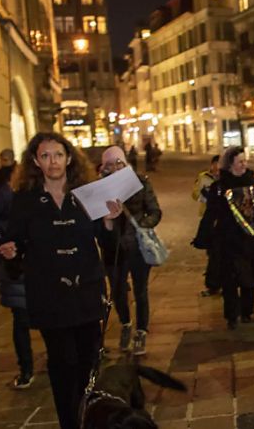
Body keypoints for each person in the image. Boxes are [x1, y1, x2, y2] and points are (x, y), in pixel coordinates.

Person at [0, 132, 121, 429]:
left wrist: (108, 222)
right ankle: (70, 422)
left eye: (58, 155)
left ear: (69, 158)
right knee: (62, 363)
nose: (53, 161)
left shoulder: (86, 194)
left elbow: (109, 245)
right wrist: (10, 251)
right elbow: (13, 243)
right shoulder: (25, 200)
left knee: (89, 362)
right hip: (50, 294)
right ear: (36, 161)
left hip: (87, 290)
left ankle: (89, 418)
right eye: (45, 156)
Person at [194, 146, 254, 330]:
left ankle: (246, 312)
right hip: (227, 240)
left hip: (251, 239)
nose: (244, 165)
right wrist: (202, 237)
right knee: (229, 279)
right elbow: (211, 214)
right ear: (230, 165)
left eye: (245, 161)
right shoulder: (219, 187)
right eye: (240, 162)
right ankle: (231, 316)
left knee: (248, 277)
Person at [98, 146, 162, 356]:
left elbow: (155, 211)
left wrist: (142, 225)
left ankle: (141, 331)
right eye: (109, 164)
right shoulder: (100, 187)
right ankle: (126, 324)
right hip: (112, 249)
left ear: (125, 164)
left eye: (119, 163)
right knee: (117, 291)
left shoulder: (140, 182)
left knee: (140, 291)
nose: (115, 167)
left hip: (137, 247)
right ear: (104, 167)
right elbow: (94, 220)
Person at [0, 166, 33, 389]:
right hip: (16, 270)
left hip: (37, 268)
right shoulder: (8, 193)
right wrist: (9, 230)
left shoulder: (42, 194)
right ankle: (26, 369)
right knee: (21, 321)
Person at [193, 155, 221, 297]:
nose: (217, 169)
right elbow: (195, 193)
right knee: (212, 252)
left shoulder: (226, 178)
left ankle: (216, 282)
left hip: (222, 220)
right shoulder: (203, 177)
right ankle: (214, 283)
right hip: (208, 218)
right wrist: (203, 194)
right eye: (215, 165)